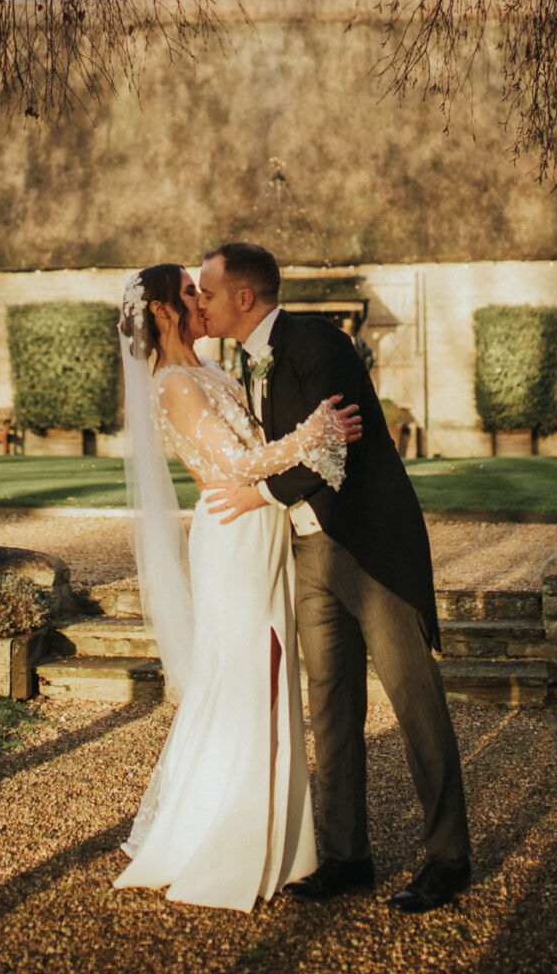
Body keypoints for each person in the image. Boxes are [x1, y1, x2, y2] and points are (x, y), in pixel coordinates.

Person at [198, 241, 473, 914]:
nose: (199, 302)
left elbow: (336, 449)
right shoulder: (245, 361)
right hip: (309, 554)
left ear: (244, 297)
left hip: (369, 548)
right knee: (331, 706)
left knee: (415, 704)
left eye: (206, 291)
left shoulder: (318, 343)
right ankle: (348, 856)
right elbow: (298, 447)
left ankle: (449, 858)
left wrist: (259, 495)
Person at [112, 262, 362, 912]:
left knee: (270, 674)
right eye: (192, 293)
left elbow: (255, 451)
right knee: (247, 673)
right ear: (164, 311)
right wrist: (314, 436)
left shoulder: (213, 371)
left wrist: (302, 439)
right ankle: (226, 839)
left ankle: (279, 839)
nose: (205, 301)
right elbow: (236, 465)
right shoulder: (171, 384)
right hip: (233, 535)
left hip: (262, 527)